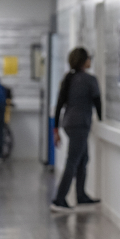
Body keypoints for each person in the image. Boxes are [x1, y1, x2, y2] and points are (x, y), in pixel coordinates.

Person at [50, 47, 102, 212]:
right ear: (83, 61)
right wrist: (102, 120)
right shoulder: (89, 80)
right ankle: (59, 199)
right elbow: (98, 103)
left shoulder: (68, 79)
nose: (90, 61)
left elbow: (59, 105)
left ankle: (81, 195)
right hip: (80, 125)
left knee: (83, 159)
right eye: (88, 58)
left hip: (69, 123)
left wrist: (55, 129)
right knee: (73, 161)